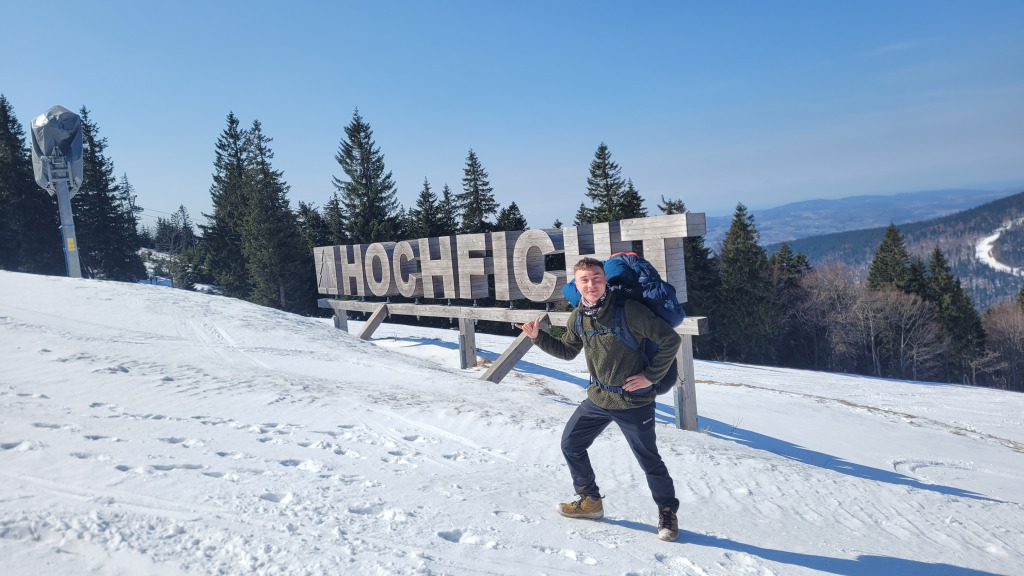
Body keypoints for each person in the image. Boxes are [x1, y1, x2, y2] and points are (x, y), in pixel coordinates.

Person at [516, 257, 682, 542]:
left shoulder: (629, 310)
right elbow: (568, 351)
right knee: (571, 444)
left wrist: (650, 377)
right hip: (599, 397)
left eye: (596, 278)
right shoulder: (578, 316)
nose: (591, 284)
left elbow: (670, 340)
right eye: (584, 279)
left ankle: (667, 512)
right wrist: (538, 337)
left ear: (605, 280)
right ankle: (590, 501)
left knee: (649, 460)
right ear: (577, 284)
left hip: (634, 402)